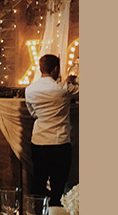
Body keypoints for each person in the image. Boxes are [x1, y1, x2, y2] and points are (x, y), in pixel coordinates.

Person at [24, 53, 79, 206]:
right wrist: (72, 81)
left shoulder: (29, 90)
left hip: (38, 141)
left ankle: (37, 214)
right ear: (55, 69)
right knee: (58, 186)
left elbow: (33, 113)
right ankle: (54, 214)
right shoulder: (63, 89)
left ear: (40, 69)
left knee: (39, 182)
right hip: (59, 142)